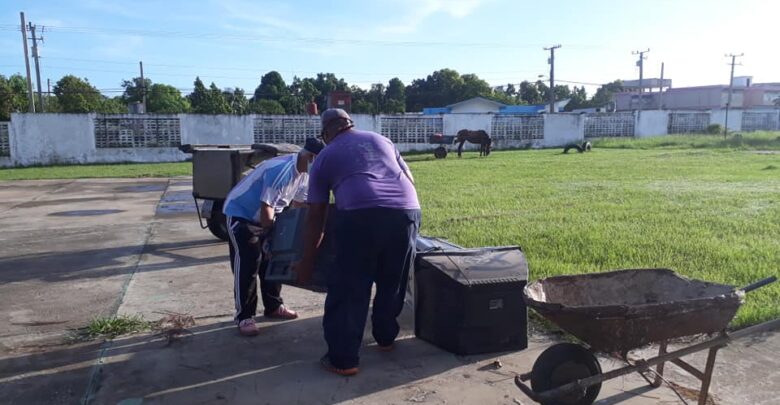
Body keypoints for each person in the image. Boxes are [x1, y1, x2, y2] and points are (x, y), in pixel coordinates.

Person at [294, 109, 421, 376]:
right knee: (392, 281)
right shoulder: (382, 140)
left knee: (350, 286)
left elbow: (316, 213)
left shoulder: (326, 155)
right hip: (406, 212)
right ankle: (386, 339)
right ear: (350, 124)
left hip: (359, 216)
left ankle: (343, 359)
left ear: (326, 132)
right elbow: (410, 179)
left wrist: (308, 259)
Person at [223, 138, 325, 336]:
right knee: (248, 264)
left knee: (273, 261)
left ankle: (273, 306)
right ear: (311, 157)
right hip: (242, 215)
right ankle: (244, 316)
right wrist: (270, 235)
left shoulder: (304, 174)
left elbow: (299, 204)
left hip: (267, 217)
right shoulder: (281, 170)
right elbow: (266, 207)